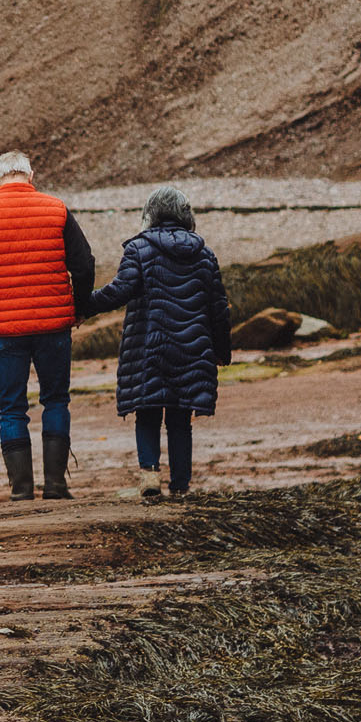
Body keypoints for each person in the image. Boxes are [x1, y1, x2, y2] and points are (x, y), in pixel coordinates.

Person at [0, 151, 94, 501]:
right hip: (53, 324)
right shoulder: (56, 209)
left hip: (5, 330)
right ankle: (57, 486)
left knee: (12, 407)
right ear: (31, 175)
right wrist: (80, 307)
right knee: (56, 401)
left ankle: (21, 490)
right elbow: (84, 263)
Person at [83, 184, 231, 503]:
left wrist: (85, 306)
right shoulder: (205, 254)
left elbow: (120, 290)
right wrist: (221, 351)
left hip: (149, 346)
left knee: (147, 412)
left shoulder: (139, 248)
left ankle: (150, 477)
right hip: (191, 349)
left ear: (150, 214)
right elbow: (218, 308)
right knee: (180, 417)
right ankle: (180, 485)